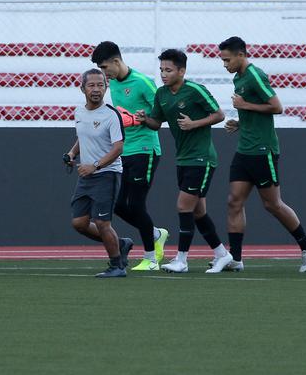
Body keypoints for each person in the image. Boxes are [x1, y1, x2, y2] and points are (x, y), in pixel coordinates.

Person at [219, 36, 306, 274]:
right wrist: (240, 122)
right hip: (245, 148)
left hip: (263, 150)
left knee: (272, 204)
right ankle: (237, 258)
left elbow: (276, 106)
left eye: (227, 59)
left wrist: (245, 107)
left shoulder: (255, 75)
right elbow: (252, 109)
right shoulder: (238, 78)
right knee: (234, 201)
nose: (225, 65)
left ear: (241, 55)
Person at [135, 49, 230, 273]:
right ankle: (222, 254)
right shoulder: (161, 94)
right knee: (198, 212)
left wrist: (194, 123)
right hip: (183, 158)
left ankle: (181, 260)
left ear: (181, 71)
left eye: (168, 70)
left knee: (183, 205)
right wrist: (143, 119)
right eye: (161, 70)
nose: (164, 74)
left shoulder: (195, 90)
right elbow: (156, 123)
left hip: (202, 157)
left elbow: (219, 115)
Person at [90, 41, 169, 271]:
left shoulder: (143, 82)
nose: (104, 73)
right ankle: (156, 234)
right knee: (118, 205)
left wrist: (140, 118)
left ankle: (151, 259)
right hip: (124, 151)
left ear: (116, 61)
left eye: (105, 67)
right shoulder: (112, 85)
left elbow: (160, 114)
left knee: (135, 204)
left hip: (145, 150)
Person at [64, 68, 131, 278]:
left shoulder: (111, 115)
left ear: (106, 87)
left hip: (107, 174)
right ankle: (120, 243)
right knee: (79, 223)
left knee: (103, 223)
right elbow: (83, 138)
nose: (96, 89)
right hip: (87, 176)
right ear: (82, 88)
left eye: (100, 85)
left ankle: (117, 266)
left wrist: (95, 166)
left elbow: (118, 148)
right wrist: (72, 153)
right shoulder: (80, 112)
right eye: (91, 85)